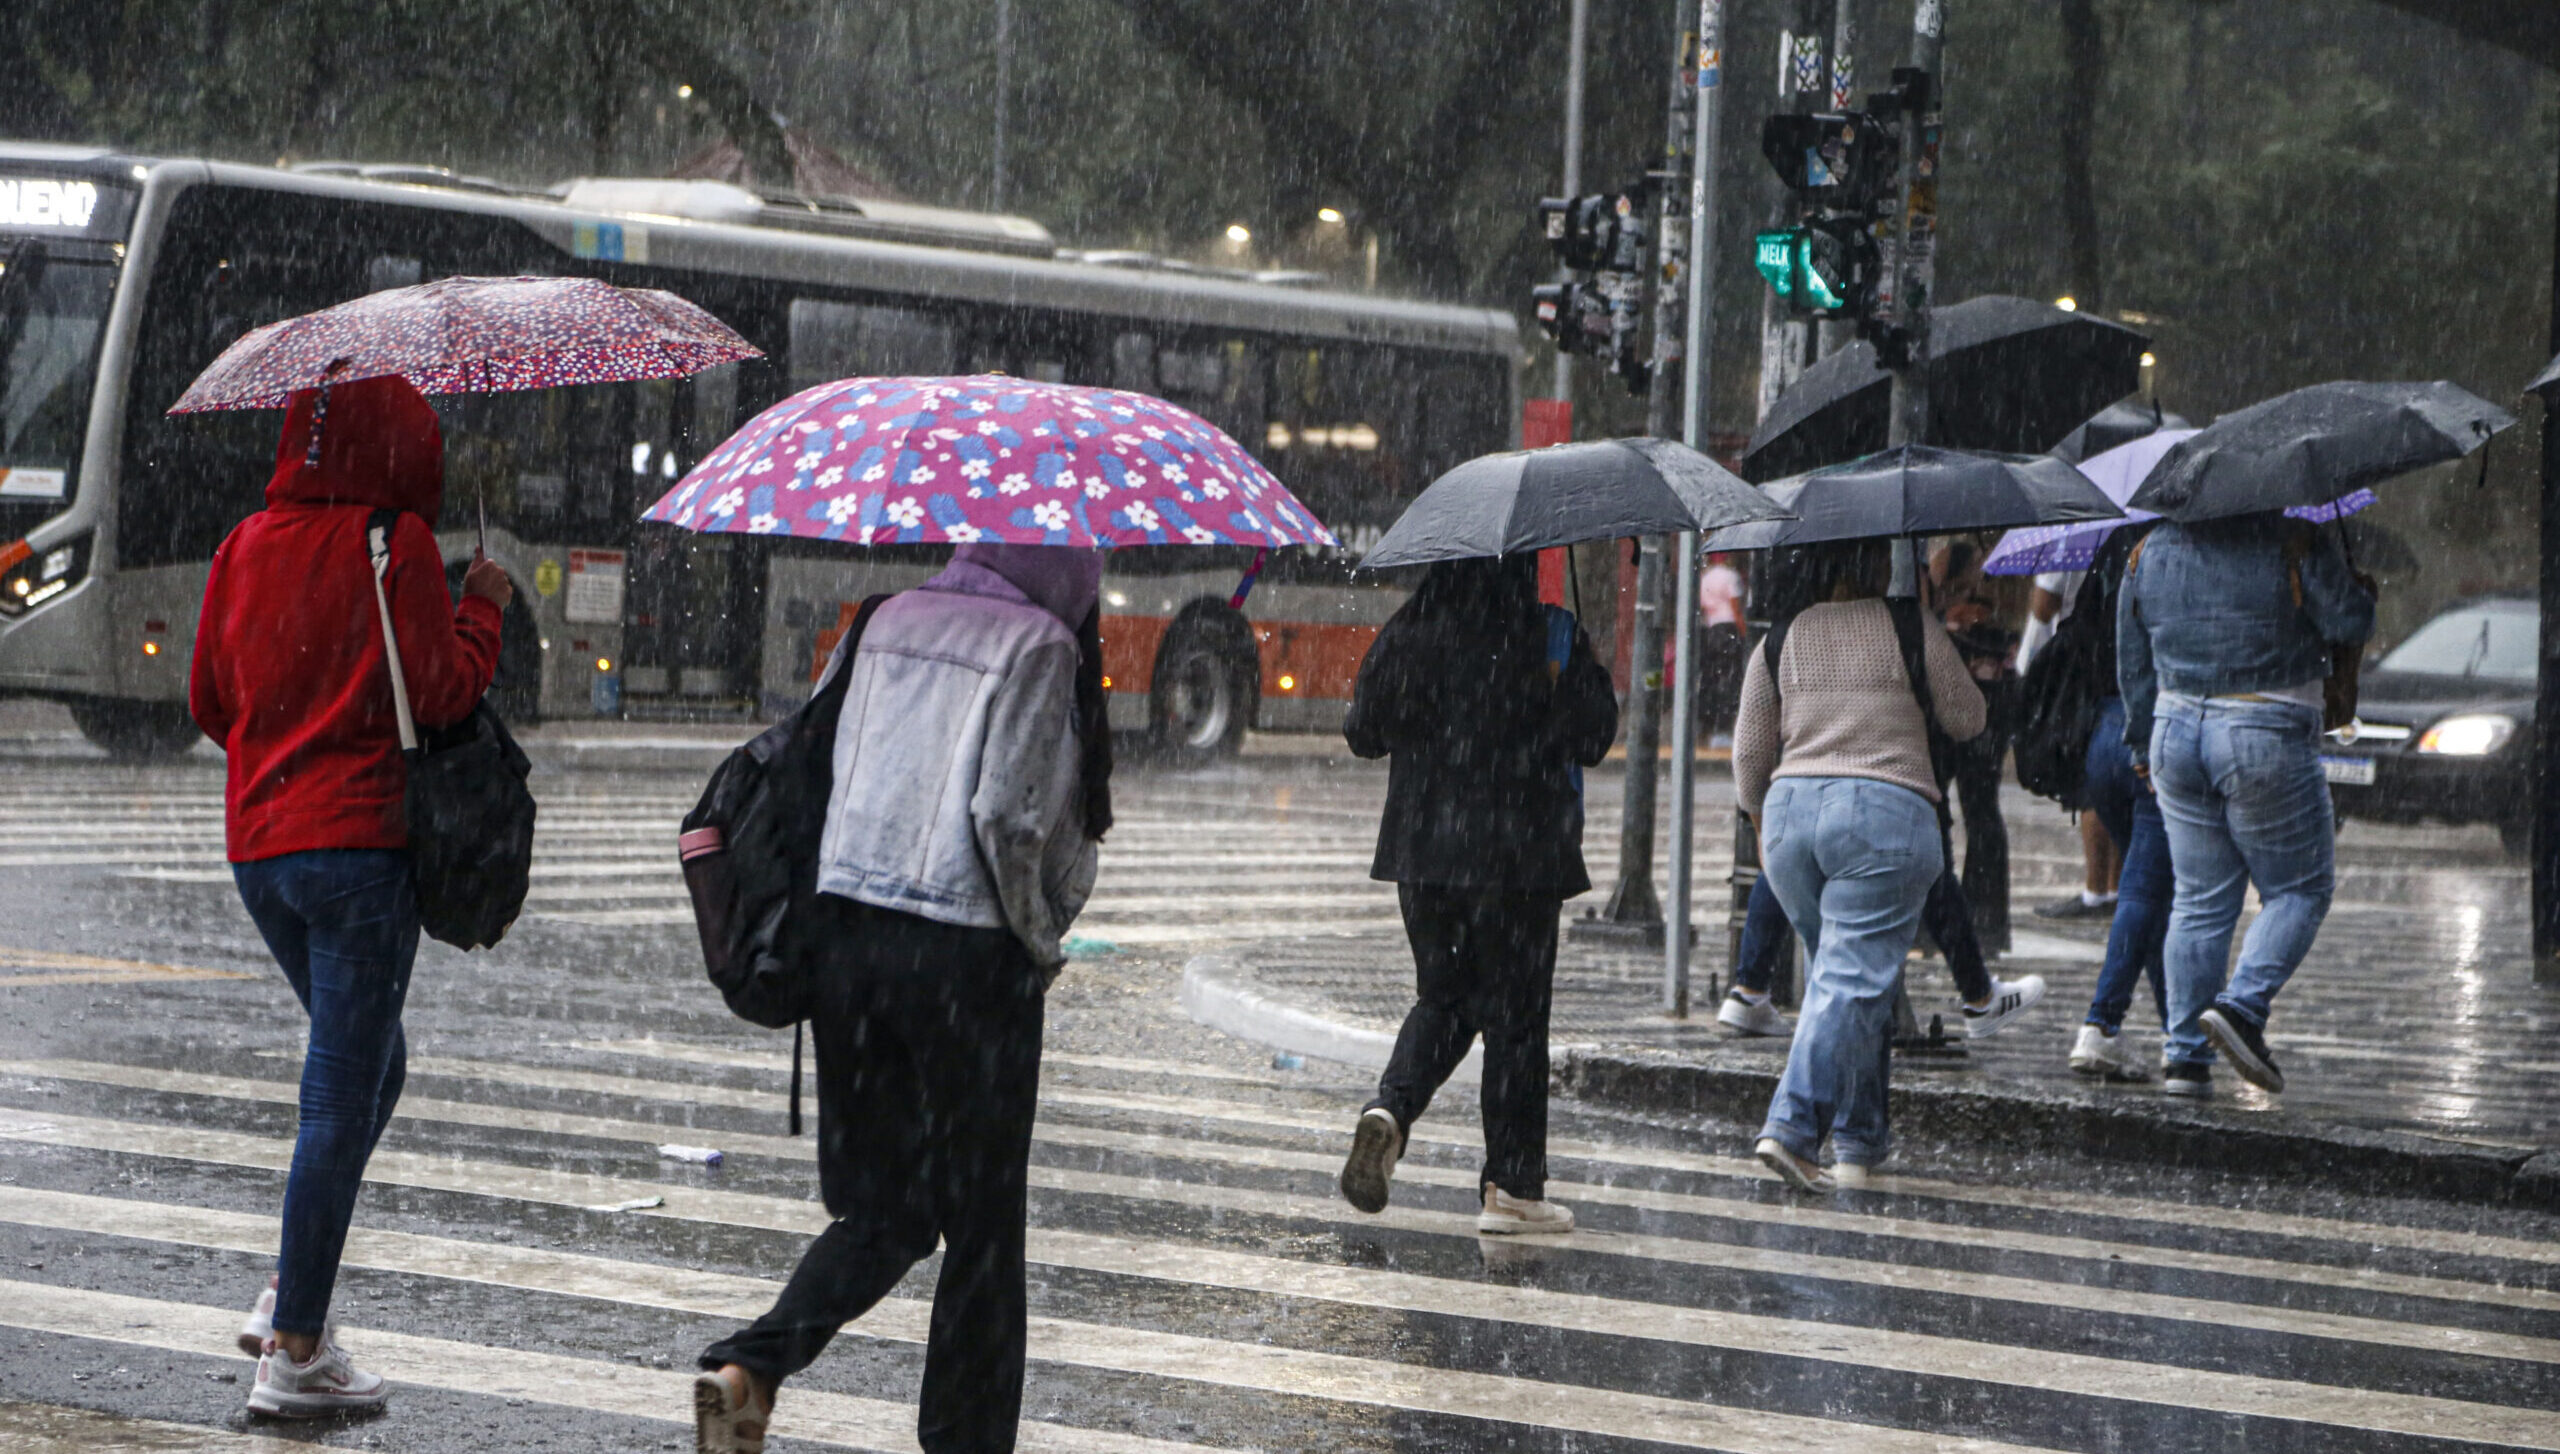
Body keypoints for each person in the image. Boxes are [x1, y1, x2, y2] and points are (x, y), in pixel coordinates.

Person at [694, 542, 1111, 1454]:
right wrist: (1040, 939)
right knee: (983, 1232)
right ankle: (965, 1441)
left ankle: (751, 1368)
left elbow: (824, 767)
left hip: (848, 944)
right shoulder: (1040, 644)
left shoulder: (884, 618)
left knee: (885, 1210)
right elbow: (1007, 816)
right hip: (965, 957)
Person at [189, 375, 510, 1419]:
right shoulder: (392, 538)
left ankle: (295, 1276)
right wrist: (483, 608)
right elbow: (445, 690)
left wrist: (284, 734)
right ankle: (295, 1351)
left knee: (377, 1062)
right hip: (359, 853)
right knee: (337, 1095)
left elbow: (208, 699)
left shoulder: (244, 541)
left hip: (260, 852)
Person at [1335, 554, 1616, 1234]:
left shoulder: (1413, 629)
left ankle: (1391, 1109)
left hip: (1425, 855)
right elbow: (1596, 737)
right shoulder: (1547, 632)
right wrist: (1568, 668)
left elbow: (1363, 731)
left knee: (1446, 997)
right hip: (1519, 858)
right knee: (1516, 1020)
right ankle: (1513, 1188)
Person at [1735, 539, 1986, 1192]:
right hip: (1882, 815)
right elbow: (1967, 719)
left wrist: (1765, 828)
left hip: (1791, 824)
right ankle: (1792, 1128)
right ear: (1881, 566)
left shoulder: (1781, 637)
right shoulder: (1909, 624)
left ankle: (1859, 1140)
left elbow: (1748, 754)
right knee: (1849, 983)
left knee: (1845, 981)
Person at [2119, 512, 2374, 1099]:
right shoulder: (2294, 539)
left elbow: (2131, 654)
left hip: (2173, 727)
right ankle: (2241, 1008)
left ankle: (2184, 1057)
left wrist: (2140, 741)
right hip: (2265, 723)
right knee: (2299, 889)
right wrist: (2349, 579)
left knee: (2199, 900)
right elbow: (2350, 621)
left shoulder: (2148, 549)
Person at [2062, 525, 2172, 1082]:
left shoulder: (2111, 553)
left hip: (2101, 737)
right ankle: (2101, 1025)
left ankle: (2179, 1028)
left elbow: (2078, 637)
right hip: (2145, 731)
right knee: (2144, 890)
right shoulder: (2173, 556)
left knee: (2151, 892)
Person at [1696, 552, 1749, 740]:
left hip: (1711, 629)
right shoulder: (1731, 576)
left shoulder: (1705, 578)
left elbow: (1703, 606)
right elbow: (1736, 608)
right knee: (1731, 677)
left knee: (1711, 677)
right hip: (1729, 629)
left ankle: (1708, 721)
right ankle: (1725, 723)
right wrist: (1744, 633)